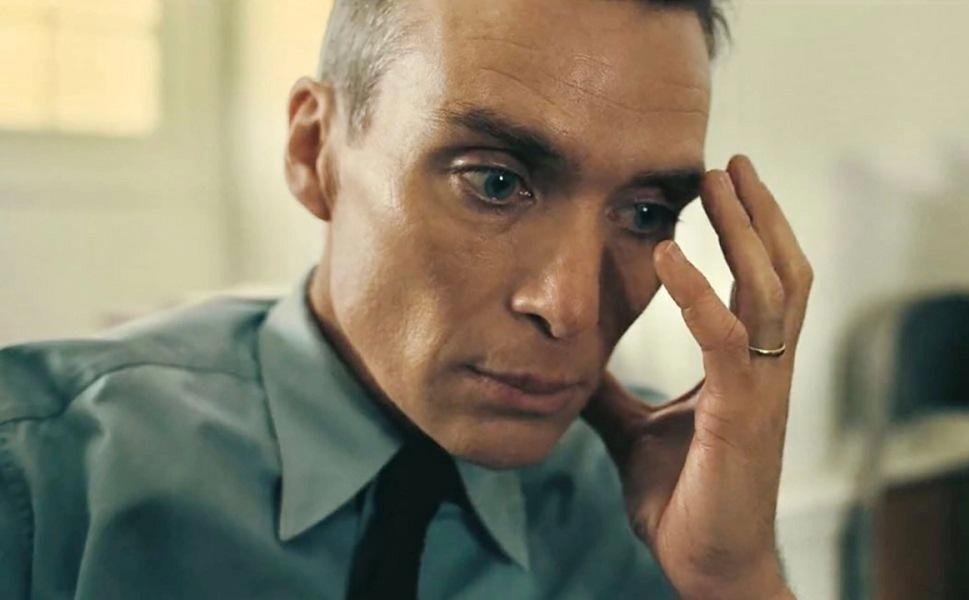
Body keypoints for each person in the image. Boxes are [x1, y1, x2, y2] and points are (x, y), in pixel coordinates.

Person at [0, 0, 813, 597]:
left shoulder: (656, 504)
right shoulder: (42, 476)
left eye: (644, 213)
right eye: (495, 183)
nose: (568, 307)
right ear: (315, 149)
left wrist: (733, 581)